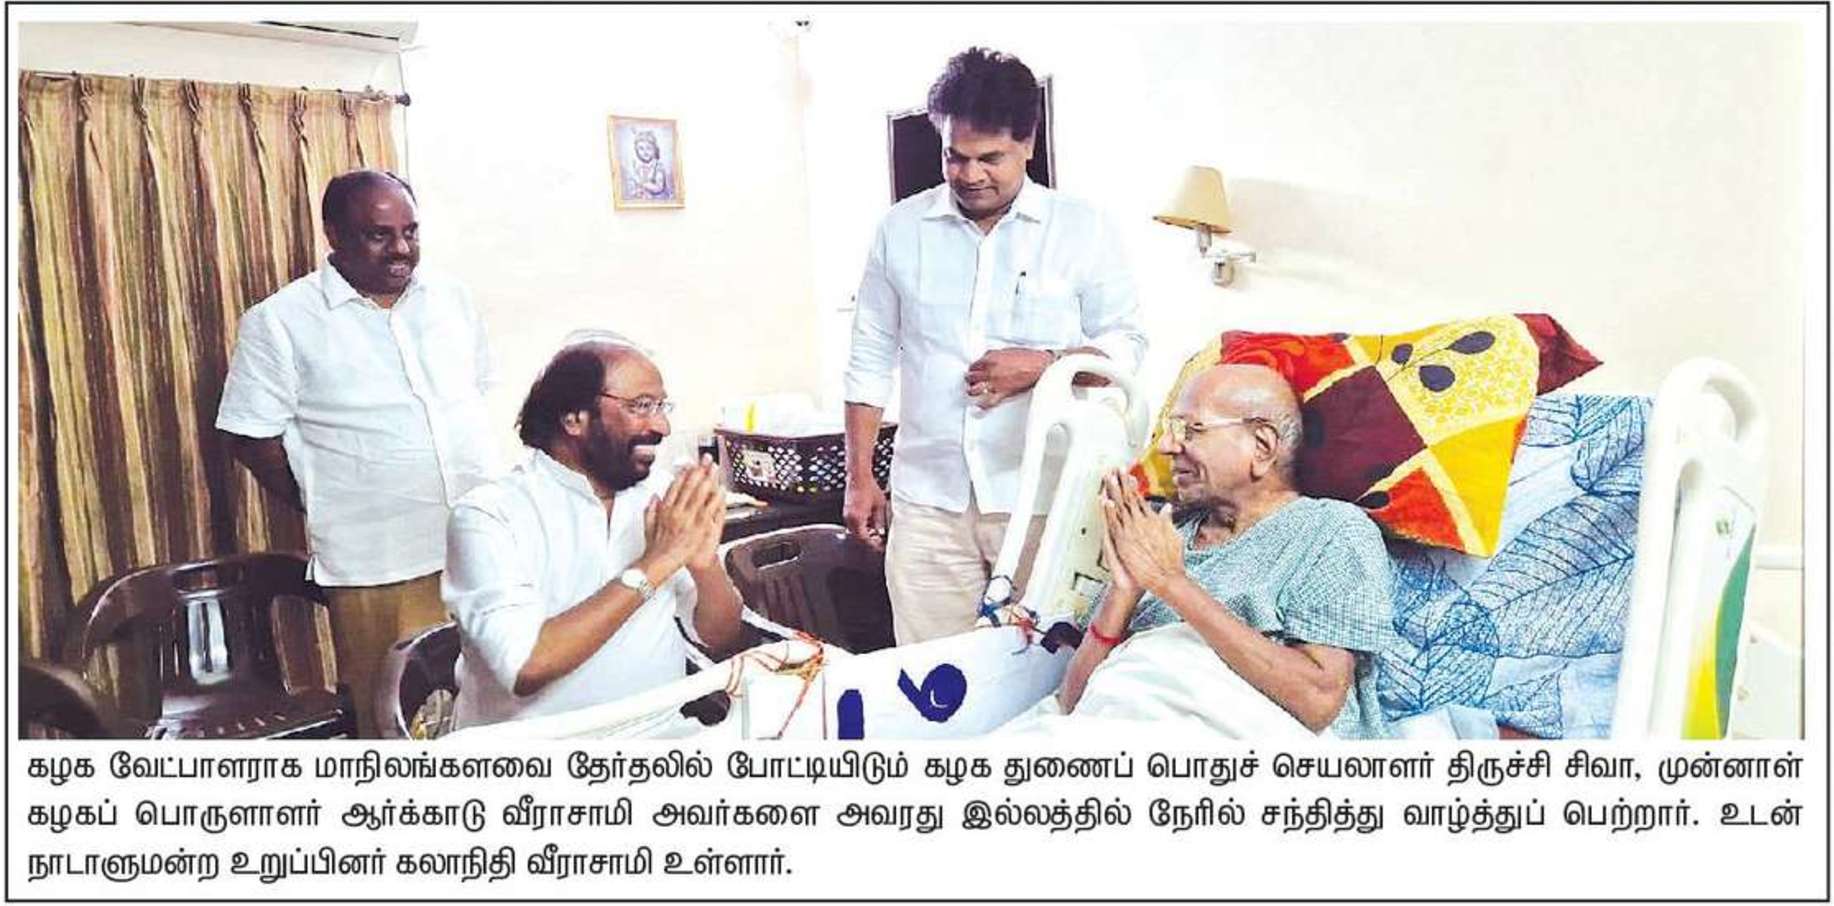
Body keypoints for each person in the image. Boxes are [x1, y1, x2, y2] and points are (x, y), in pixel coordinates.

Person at [842, 47, 1146, 644]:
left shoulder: (1082, 228)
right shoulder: (900, 229)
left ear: (1027, 144)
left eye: (989, 158)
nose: (969, 174)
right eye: (955, 156)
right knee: (929, 670)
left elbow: (1127, 345)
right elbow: (869, 358)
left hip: (1044, 497)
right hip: (928, 500)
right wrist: (859, 477)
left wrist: (1048, 366)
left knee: (1041, 666)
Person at [215, 168, 497, 737]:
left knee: (492, 708)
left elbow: (477, 393)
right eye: (379, 235)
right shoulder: (281, 322)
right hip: (380, 558)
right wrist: (327, 498)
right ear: (334, 235)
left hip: (479, 542)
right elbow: (248, 436)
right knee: (402, 724)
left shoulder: (451, 299)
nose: (402, 249)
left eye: (410, 232)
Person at [1057, 364, 1398, 739]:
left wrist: (1173, 583)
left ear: (1262, 446)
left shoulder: (1329, 530)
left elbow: (1318, 702)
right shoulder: (1161, 535)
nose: (1167, 446)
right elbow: (1073, 705)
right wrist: (1123, 592)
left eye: (1190, 430)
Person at [442, 338, 745, 730]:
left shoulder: (660, 495)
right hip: (536, 751)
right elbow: (526, 666)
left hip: (664, 734)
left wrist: (705, 567)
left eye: (661, 407)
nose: (662, 426)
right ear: (574, 418)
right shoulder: (488, 515)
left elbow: (721, 637)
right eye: (641, 406)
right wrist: (656, 562)